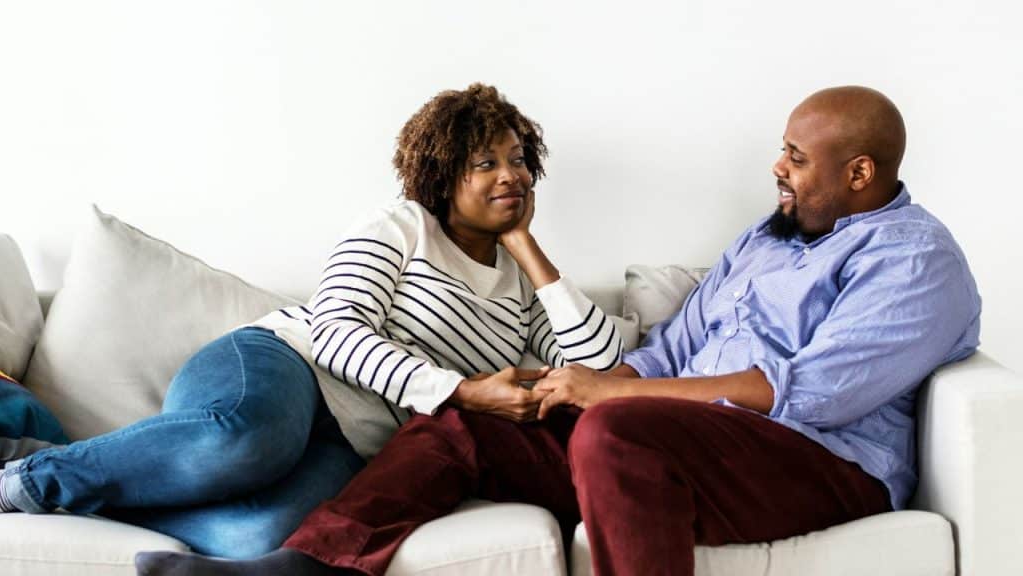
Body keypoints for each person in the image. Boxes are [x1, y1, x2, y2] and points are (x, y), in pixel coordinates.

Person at [135, 86, 981, 576]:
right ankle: (310, 571)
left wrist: (610, 394)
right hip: (677, 439)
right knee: (469, 420)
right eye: (784, 152)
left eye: (796, 157)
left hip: (815, 461)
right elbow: (665, 354)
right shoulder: (765, 240)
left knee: (618, 424)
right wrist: (560, 389)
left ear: (860, 172)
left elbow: (817, 391)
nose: (778, 168)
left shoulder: (915, 260)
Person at [0, 83, 622, 561]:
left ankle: (72, 483)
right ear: (442, 175)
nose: (509, 174)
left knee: (258, 537)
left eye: (517, 159)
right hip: (283, 364)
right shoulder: (403, 226)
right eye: (484, 162)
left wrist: (527, 248)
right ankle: (24, 478)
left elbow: (597, 369)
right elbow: (335, 330)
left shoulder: (524, 286)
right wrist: (459, 391)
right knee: (242, 440)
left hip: (356, 441)